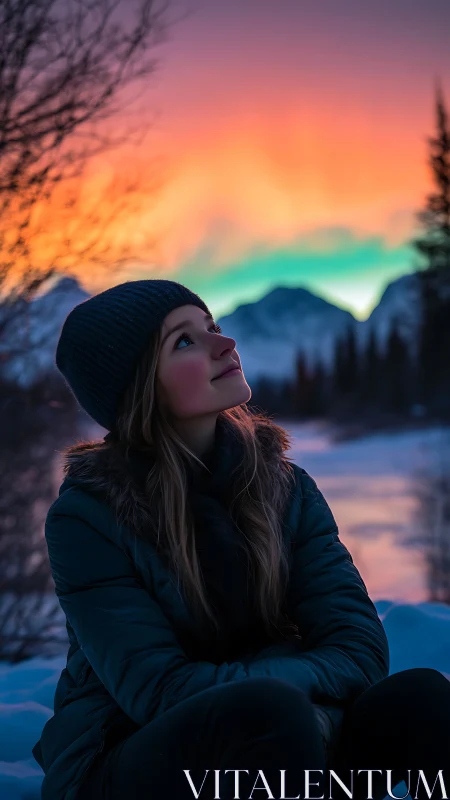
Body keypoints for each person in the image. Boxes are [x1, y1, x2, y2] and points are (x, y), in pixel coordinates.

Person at [30, 279, 450, 800]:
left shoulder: (287, 488)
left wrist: (308, 715)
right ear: (139, 387)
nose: (225, 344)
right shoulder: (87, 519)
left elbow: (360, 650)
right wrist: (299, 697)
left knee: (422, 698)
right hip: (129, 757)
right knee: (269, 714)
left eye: (213, 327)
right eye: (185, 341)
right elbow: (160, 690)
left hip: (290, 736)